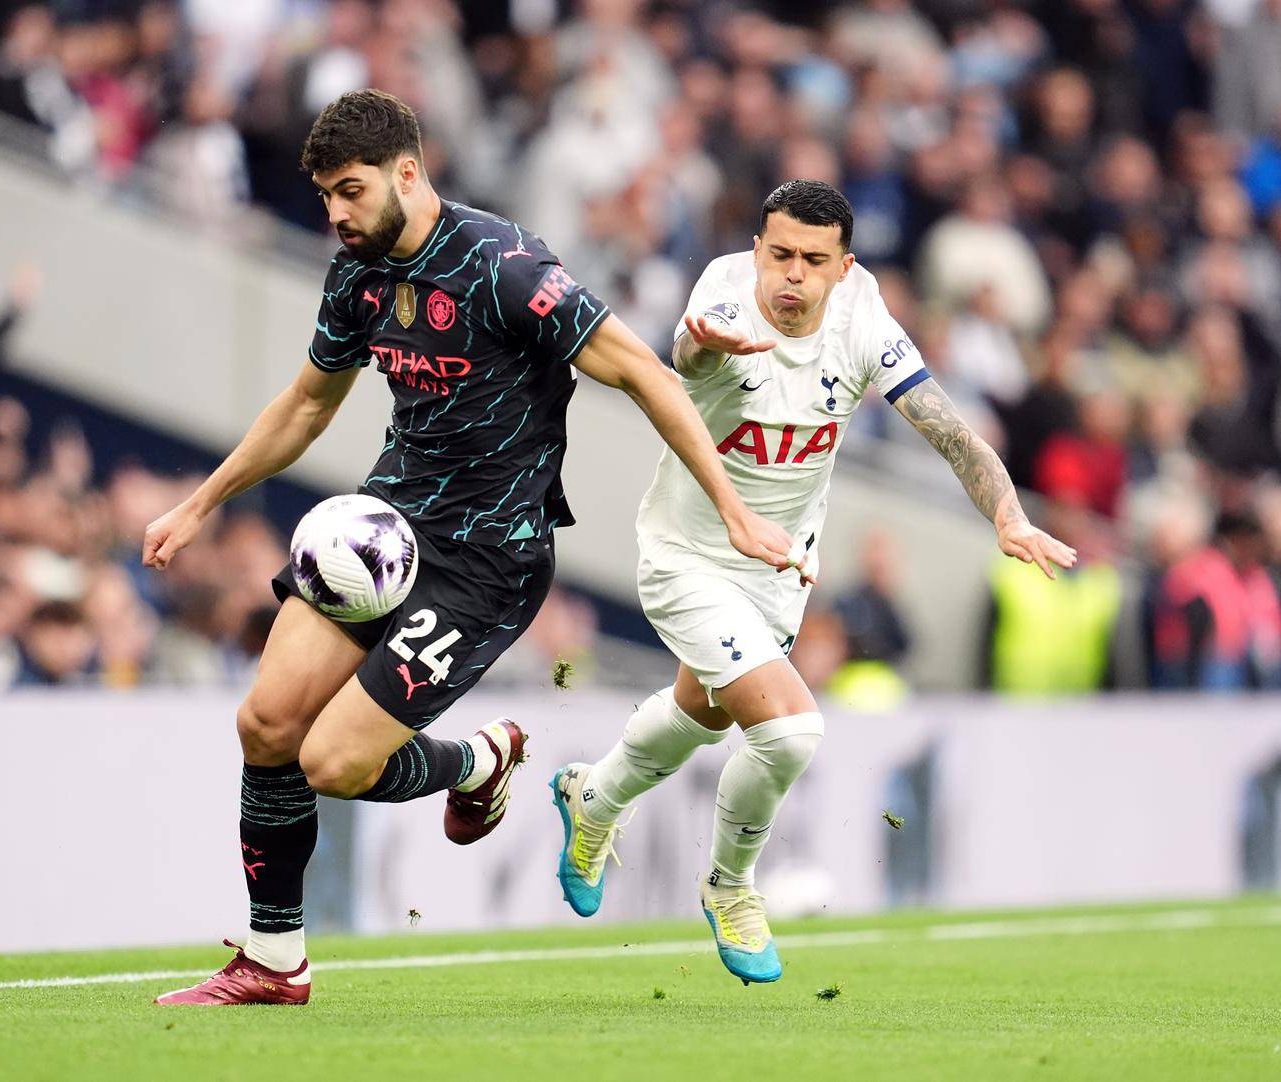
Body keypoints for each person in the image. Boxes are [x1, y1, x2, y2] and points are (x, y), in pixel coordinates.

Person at [141, 90, 797, 1006]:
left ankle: (478, 761)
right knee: (265, 727)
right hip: (382, 532)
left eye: (351, 191)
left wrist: (730, 509)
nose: (336, 214)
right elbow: (305, 405)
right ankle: (274, 961)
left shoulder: (507, 267)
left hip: (489, 560)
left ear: (409, 171)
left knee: (334, 763)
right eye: (327, 195)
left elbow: (642, 371)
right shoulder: (357, 276)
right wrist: (201, 505)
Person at [550, 180, 1076, 986]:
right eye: (780, 254)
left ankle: (593, 798)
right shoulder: (725, 295)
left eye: (813, 261)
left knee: (703, 710)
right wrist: (699, 349)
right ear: (758, 248)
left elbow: (949, 430)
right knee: (790, 731)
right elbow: (687, 356)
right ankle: (730, 887)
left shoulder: (865, 318)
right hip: (688, 552)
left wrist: (1005, 515)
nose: (791, 276)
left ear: (845, 266)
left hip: (779, 566)